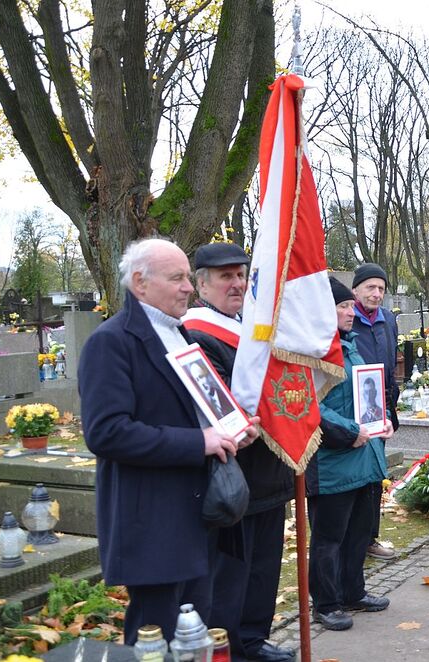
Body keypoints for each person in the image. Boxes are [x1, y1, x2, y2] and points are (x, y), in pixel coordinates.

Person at [79, 238, 258, 644]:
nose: (188, 288)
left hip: (199, 517)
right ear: (140, 283)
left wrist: (231, 433)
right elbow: (106, 433)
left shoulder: (180, 337)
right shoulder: (111, 342)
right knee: (155, 638)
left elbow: (195, 415)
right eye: (177, 278)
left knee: (193, 635)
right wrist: (200, 442)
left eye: (186, 278)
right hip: (154, 522)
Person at [182, 242, 294, 662]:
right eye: (226, 276)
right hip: (232, 476)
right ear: (201, 284)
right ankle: (229, 646)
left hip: (270, 470)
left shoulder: (250, 326)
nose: (237, 284)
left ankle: (253, 639)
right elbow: (226, 401)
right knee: (231, 573)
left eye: (241, 276)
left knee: (264, 568)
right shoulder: (197, 334)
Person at [306, 277, 394, 631]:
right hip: (332, 462)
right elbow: (311, 407)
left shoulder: (350, 344)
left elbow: (363, 397)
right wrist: (350, 431)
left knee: (358, 532)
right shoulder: (314, 352)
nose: (349, 311)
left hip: (363, 457)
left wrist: (380, 422)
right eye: (341, 306)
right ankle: (326, 604)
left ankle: (352, 591)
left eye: (347, 306)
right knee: (329, 538)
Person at [351, 263, 400, 561]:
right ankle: (353, 538)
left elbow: (391, 369)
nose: (376, 294)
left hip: (379, 410)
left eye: (381, 288)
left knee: (374, 477)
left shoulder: (388, 321)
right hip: (351, 410)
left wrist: (392, 412)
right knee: (355, 477)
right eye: (370, 287)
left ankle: (370, 537)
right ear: (356, 289)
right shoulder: (346, 319)